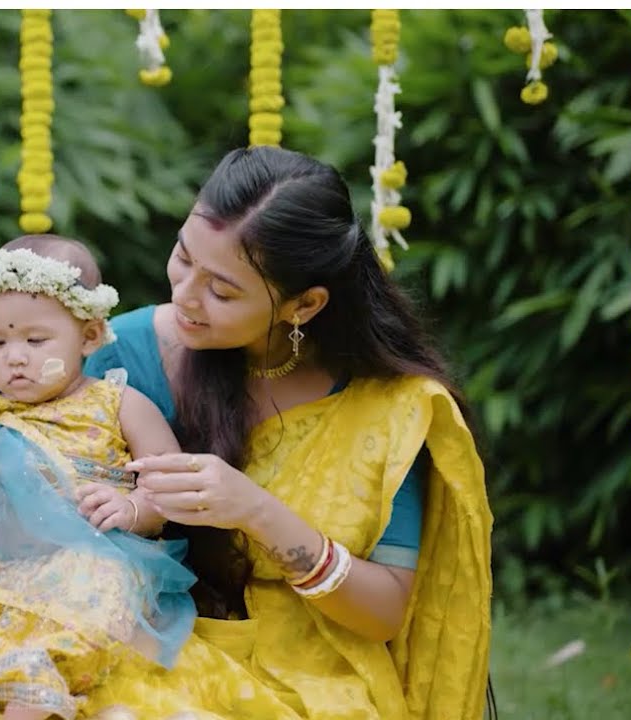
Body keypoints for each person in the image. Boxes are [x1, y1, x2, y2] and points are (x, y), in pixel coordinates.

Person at [72, 146, 494, 719]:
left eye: (222, 291)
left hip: (314, 678)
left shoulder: (389, 408)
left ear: (304, 305)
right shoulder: (123, 355)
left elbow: (385, 612)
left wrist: (256, 512)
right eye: (183, 257)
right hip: (135, 649)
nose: (185, 295)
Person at [0, 235, 198, 719]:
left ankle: (39, 683)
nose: (15, 357)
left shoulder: (117, 404)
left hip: (86, 567)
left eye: (35, 341)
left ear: (89, 337)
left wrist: (132, 508)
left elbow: (169, 482)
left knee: (96, 580)